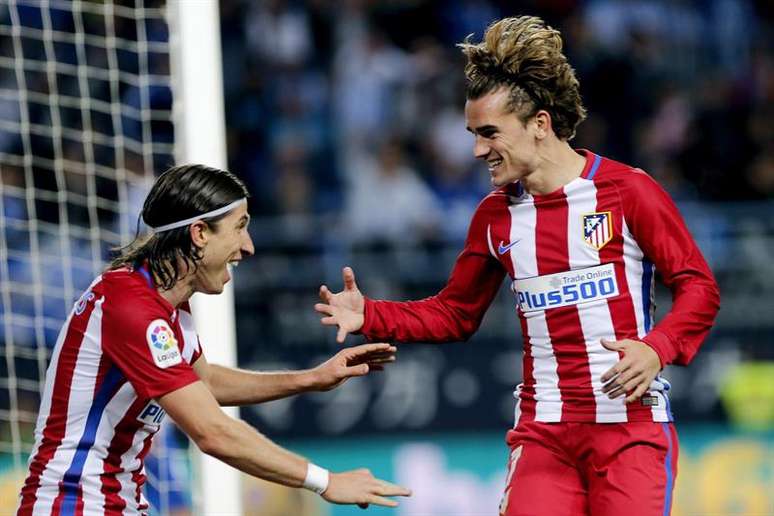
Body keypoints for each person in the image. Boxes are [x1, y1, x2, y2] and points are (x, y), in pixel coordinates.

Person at [315, 15, 719, 516]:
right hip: (544, 433)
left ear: (540, 124)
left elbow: (699, 287)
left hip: (631, 429)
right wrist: (370, 315)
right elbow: (455, 313)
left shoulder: (627, 192)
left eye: (489, 133)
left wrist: (657, 349)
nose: (478, 149)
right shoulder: (494, 216)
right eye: (472, 133)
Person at [18, 165, 411, 515]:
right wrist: (326, 481)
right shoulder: (131, 307)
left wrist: (311, 379)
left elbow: (202, 383)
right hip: (71, 503)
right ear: (200, 233)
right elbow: (211, 432)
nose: (249, 246)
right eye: (240, 227)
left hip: (116, 501)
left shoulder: (166, 304)